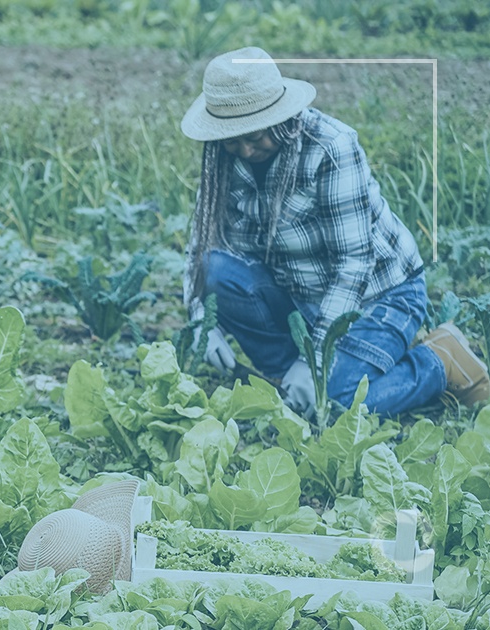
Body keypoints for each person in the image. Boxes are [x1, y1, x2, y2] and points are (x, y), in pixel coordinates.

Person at [182, 47, 488, 418]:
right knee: (215, 271)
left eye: (256, 136)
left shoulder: (330, 148)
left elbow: (354, 263)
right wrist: (200, 320)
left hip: (378, 298)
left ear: (279, 119)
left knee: (333, 407)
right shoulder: (222, 160)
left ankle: (438, 360)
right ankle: (296, 378)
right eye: (232, 140)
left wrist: (317, 359)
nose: (245, 149)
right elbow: (201, 246)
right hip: (301, 296)